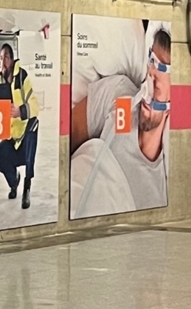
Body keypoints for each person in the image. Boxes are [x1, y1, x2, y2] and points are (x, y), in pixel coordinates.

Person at [70, 23, 171, 213]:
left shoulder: (160, 192)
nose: (147, 92)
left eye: (156, 89)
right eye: (149, 76)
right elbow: (66, 137)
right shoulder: (118, 95)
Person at [0, 31, 40, 209]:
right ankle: (14, 182)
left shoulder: (22, 77)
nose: (2, 60)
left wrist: (20, 111)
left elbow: (35, 106)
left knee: (32, 131)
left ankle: (26, 187)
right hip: (12, 137)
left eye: (6, 57)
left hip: (26, 132)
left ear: (12, 60)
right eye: (1, 57)